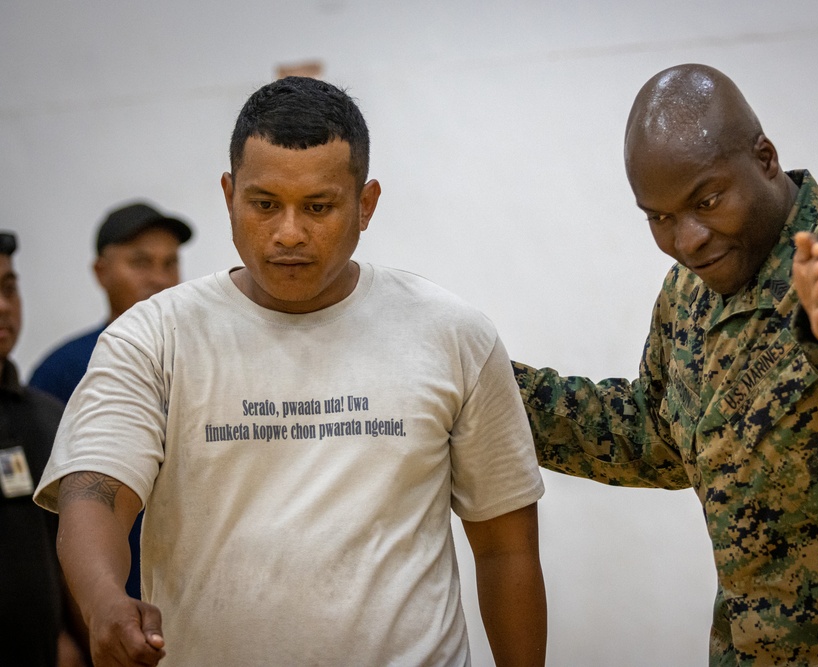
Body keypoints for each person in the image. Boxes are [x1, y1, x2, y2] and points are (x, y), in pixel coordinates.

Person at [35, 76, 546, 666]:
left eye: (319, 207)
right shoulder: (152, 337)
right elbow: (96, 488)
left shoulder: (451, 334)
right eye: (264, 204)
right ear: (229, 196)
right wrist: (103, 601)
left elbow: (506, 548)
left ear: (366, 204)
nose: (289, 233)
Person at [513, 63, 818, 665]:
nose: (686, 239)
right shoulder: (685, 298)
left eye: (707, 201)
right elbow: (653, 431)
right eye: (659, 218)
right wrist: (489, 386)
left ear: (765, 158)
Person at [29, 200, 192, 604]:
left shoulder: (204, 361)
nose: (159, 278)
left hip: (194, 598)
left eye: (170, 263)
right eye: (140, 262)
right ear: (101, 272)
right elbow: (42, 521)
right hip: (104, 604)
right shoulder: (63, 371)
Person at [0, 231, 88, 666]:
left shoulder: (48, 416)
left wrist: (75, 637)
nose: (3, 306)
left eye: (9, 288)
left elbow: (64, 544)